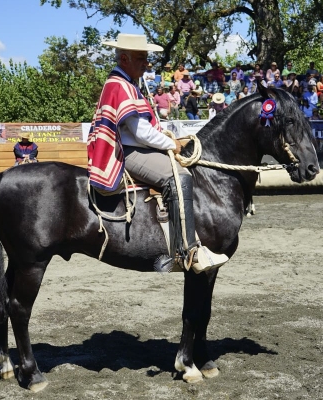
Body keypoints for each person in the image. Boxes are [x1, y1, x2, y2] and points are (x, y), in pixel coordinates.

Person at [86, 33, 227, 272]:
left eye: (146, 58)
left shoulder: (126, 82)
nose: (146, 63)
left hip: (133, 146)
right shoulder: (120, 85)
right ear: (124, 58)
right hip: (128, 151)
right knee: (179, 176)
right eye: (141, 58)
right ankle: (188, 252)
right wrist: (173, 144)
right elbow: (139, 131)